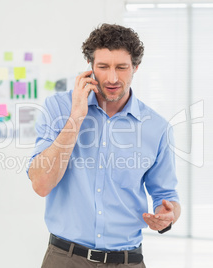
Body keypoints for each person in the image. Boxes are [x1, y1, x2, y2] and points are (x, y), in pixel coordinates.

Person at [27, 24, 181, 268]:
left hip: (127, 260)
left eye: (121, 67)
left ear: (136, 68)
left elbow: (167, 196)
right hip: (65, 259)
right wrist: (76, 116)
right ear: (90, 67)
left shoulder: (157, 128)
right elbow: (41, 184)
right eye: (103, 67)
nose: (112, 78)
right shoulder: (58, 108)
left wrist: (168, 216)